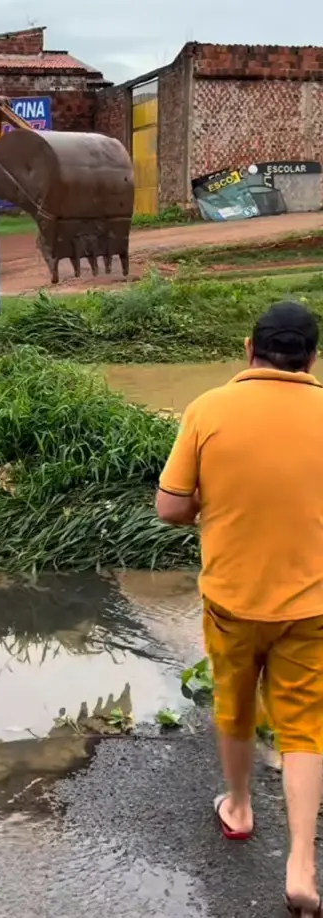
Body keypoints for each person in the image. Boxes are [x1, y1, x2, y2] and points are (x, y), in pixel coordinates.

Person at [156, 301, 323, 918]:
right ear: (311, 355)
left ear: (249, 347)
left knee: (236, 704)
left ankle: (240, 806)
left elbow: (170, 507)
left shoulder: (208, 409)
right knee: (306, 724)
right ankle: (302, 863)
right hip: (312, 603)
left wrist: (215, 500)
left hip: (231, 599)